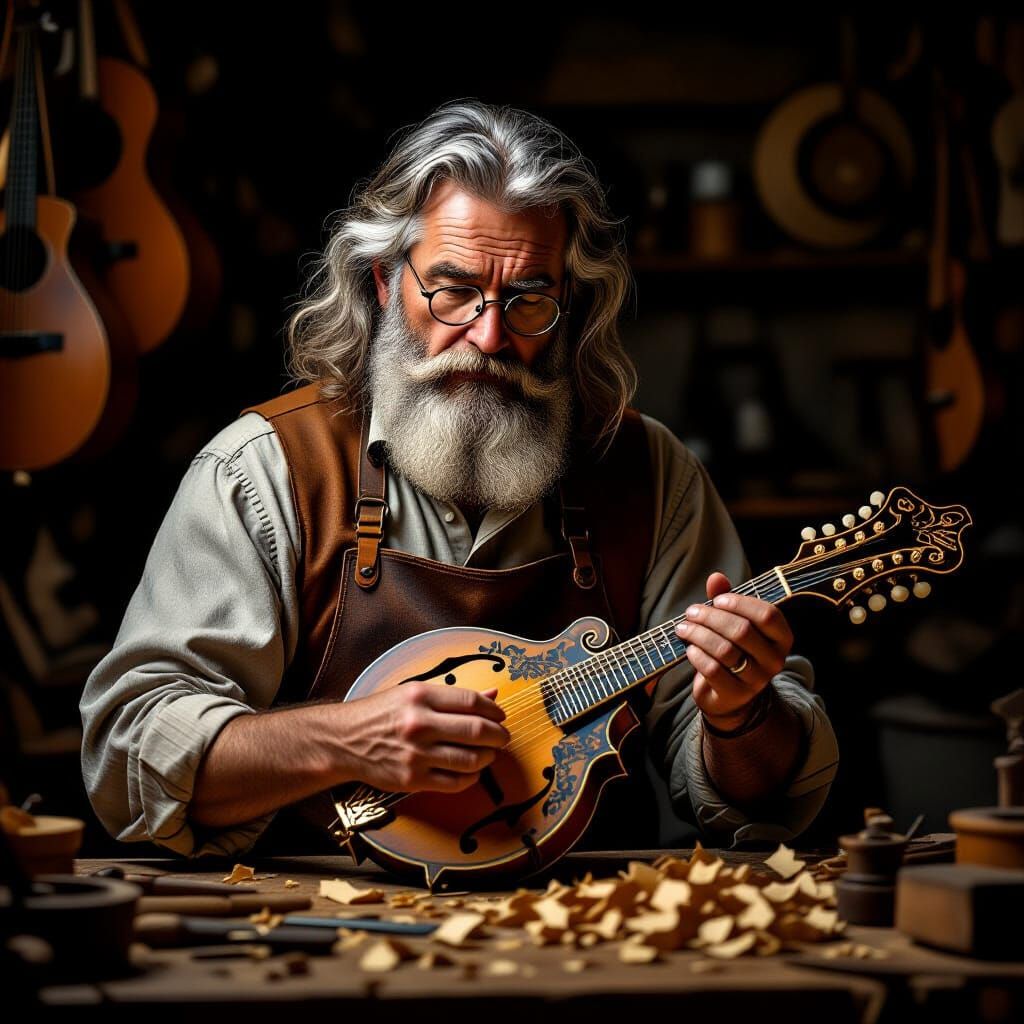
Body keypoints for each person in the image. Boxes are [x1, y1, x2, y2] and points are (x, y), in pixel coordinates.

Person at [80, 99, 839, 860]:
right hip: (317, 939)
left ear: (570, 304)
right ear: (384, 282)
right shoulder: (265, 473)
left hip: (592, 941)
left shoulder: (651, 475)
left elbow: (762, 805)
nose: (488, 335)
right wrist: (347, 739)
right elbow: (129, 757)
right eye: (452, 289)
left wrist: (741, 717)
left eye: (529, 299)